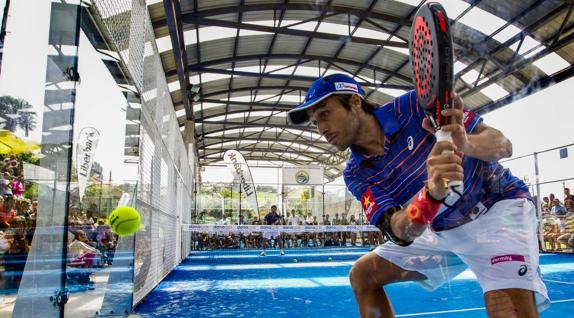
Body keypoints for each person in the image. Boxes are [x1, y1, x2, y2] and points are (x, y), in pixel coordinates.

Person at [287, 74, 548, 317]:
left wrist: (465, 145)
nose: (321, 128)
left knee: (505, 305)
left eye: (325, 114)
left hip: (498, 210)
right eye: (316, 121)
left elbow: (503, 145)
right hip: (442, 227)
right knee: (363, 276)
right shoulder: (356, 174)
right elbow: (400, 231)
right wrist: (430, 195)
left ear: (355, 102)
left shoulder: (415, 105)